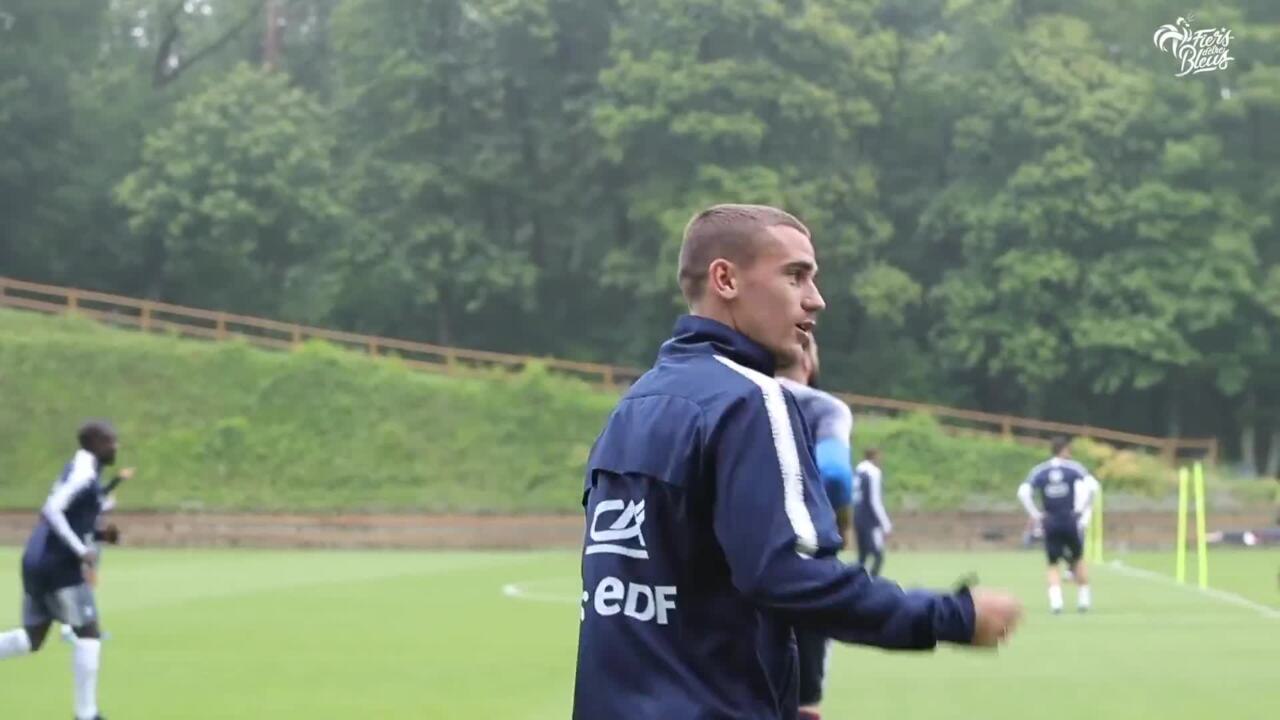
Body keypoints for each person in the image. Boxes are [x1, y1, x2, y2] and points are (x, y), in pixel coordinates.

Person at [572, 203, 1023, 720]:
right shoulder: (751, 400)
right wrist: (953, 617)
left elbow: (667, 594)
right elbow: (790, 576)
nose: (817, 299)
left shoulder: (631, 409)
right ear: (726, 279)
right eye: (796, 275)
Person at [0, 420, 131, 720]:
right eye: (111, 442)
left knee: (31, 639)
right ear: (96, 444)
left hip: (36, 559)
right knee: (88, 633)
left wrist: (99, 536)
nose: (116, 447)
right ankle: (86, 715)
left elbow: (74, 516)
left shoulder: (81, 468)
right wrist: (80, 550)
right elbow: (52, 509)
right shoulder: (84, 473)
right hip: (56, 564)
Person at [775, 334, 855, 720]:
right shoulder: (822, 408)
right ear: (808, 361)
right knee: (802, 702)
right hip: (803, 571)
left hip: (724, 575)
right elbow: (837, 475)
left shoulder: (722, 398)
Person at [1017, 436, 1098, 614]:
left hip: (1050, 521)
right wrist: (1082, 509)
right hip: (1070, 519)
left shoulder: (1040, 470)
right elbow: (1093, 487)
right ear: (1065, 450)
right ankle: (1083, 600)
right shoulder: (1073, 468)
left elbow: (1023, 491)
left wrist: (1035, 513)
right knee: (1077, 559)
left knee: (1052, 563)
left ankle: (1056, 603)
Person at [853, 448, 892, 576]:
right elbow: (875, 500)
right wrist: (885, 524)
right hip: (870, 520)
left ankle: (856, 586)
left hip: (857, 517)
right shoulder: (873, 473)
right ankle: (872, 586)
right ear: (875, 456)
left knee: (862, 557)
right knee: (878, 556)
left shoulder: (858, 471)